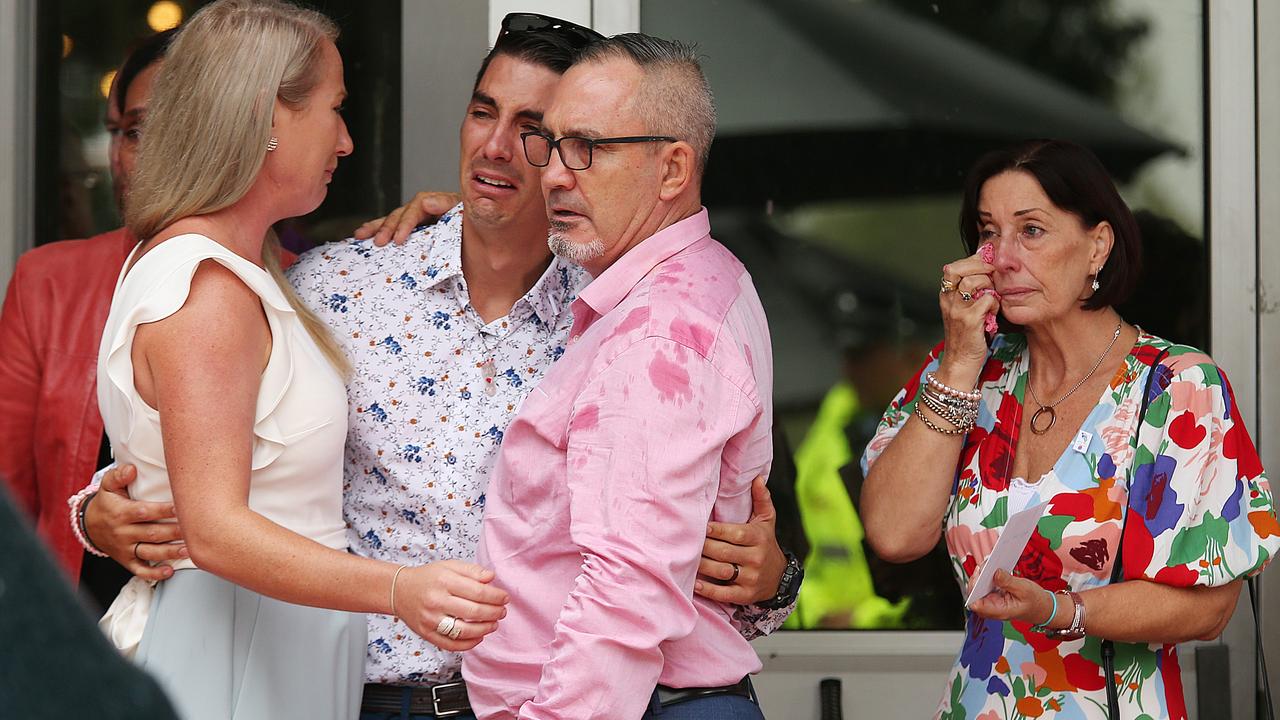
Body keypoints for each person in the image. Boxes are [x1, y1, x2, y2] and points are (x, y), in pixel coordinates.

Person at [84, 13, 797, 720]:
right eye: (482, 111)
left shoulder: (628, 312)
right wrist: (98, 513)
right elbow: (195, 442)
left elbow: (748, 523)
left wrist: (772, 580)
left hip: (559, 702)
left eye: (541, 132)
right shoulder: (336, 287)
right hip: (364, 698)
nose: (496, 146)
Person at [94, 2, 506, 718]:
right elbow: (215, 528)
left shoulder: (231, 267)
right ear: (266, 118)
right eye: (334, 108)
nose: (346, 141)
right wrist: (398, 589)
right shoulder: (208, 288)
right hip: (233, 642)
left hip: (267, 639)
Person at [859, 139, 1280, 719]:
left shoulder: (1178, 386)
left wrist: (1060, 611)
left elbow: (1209, 608)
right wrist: (959, 359)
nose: (1001, 257)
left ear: (1097, 247)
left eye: (1031, 231)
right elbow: (895, 534)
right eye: (989, 232)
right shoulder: (968, 369)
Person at [465, 33, 774, 720]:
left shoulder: (662, 330)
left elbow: (627, 589)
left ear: (671, 169)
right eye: (551, 144)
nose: (550, 174)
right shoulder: (697, 277)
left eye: (588, 148)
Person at [0, 30, 176, 612]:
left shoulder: (305, 284)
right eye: (124, 132)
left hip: (244, 634)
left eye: (150, 128)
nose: (127, 156)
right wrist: (87, 520)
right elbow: (9, 504)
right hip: (79, 628)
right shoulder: (49, 283)